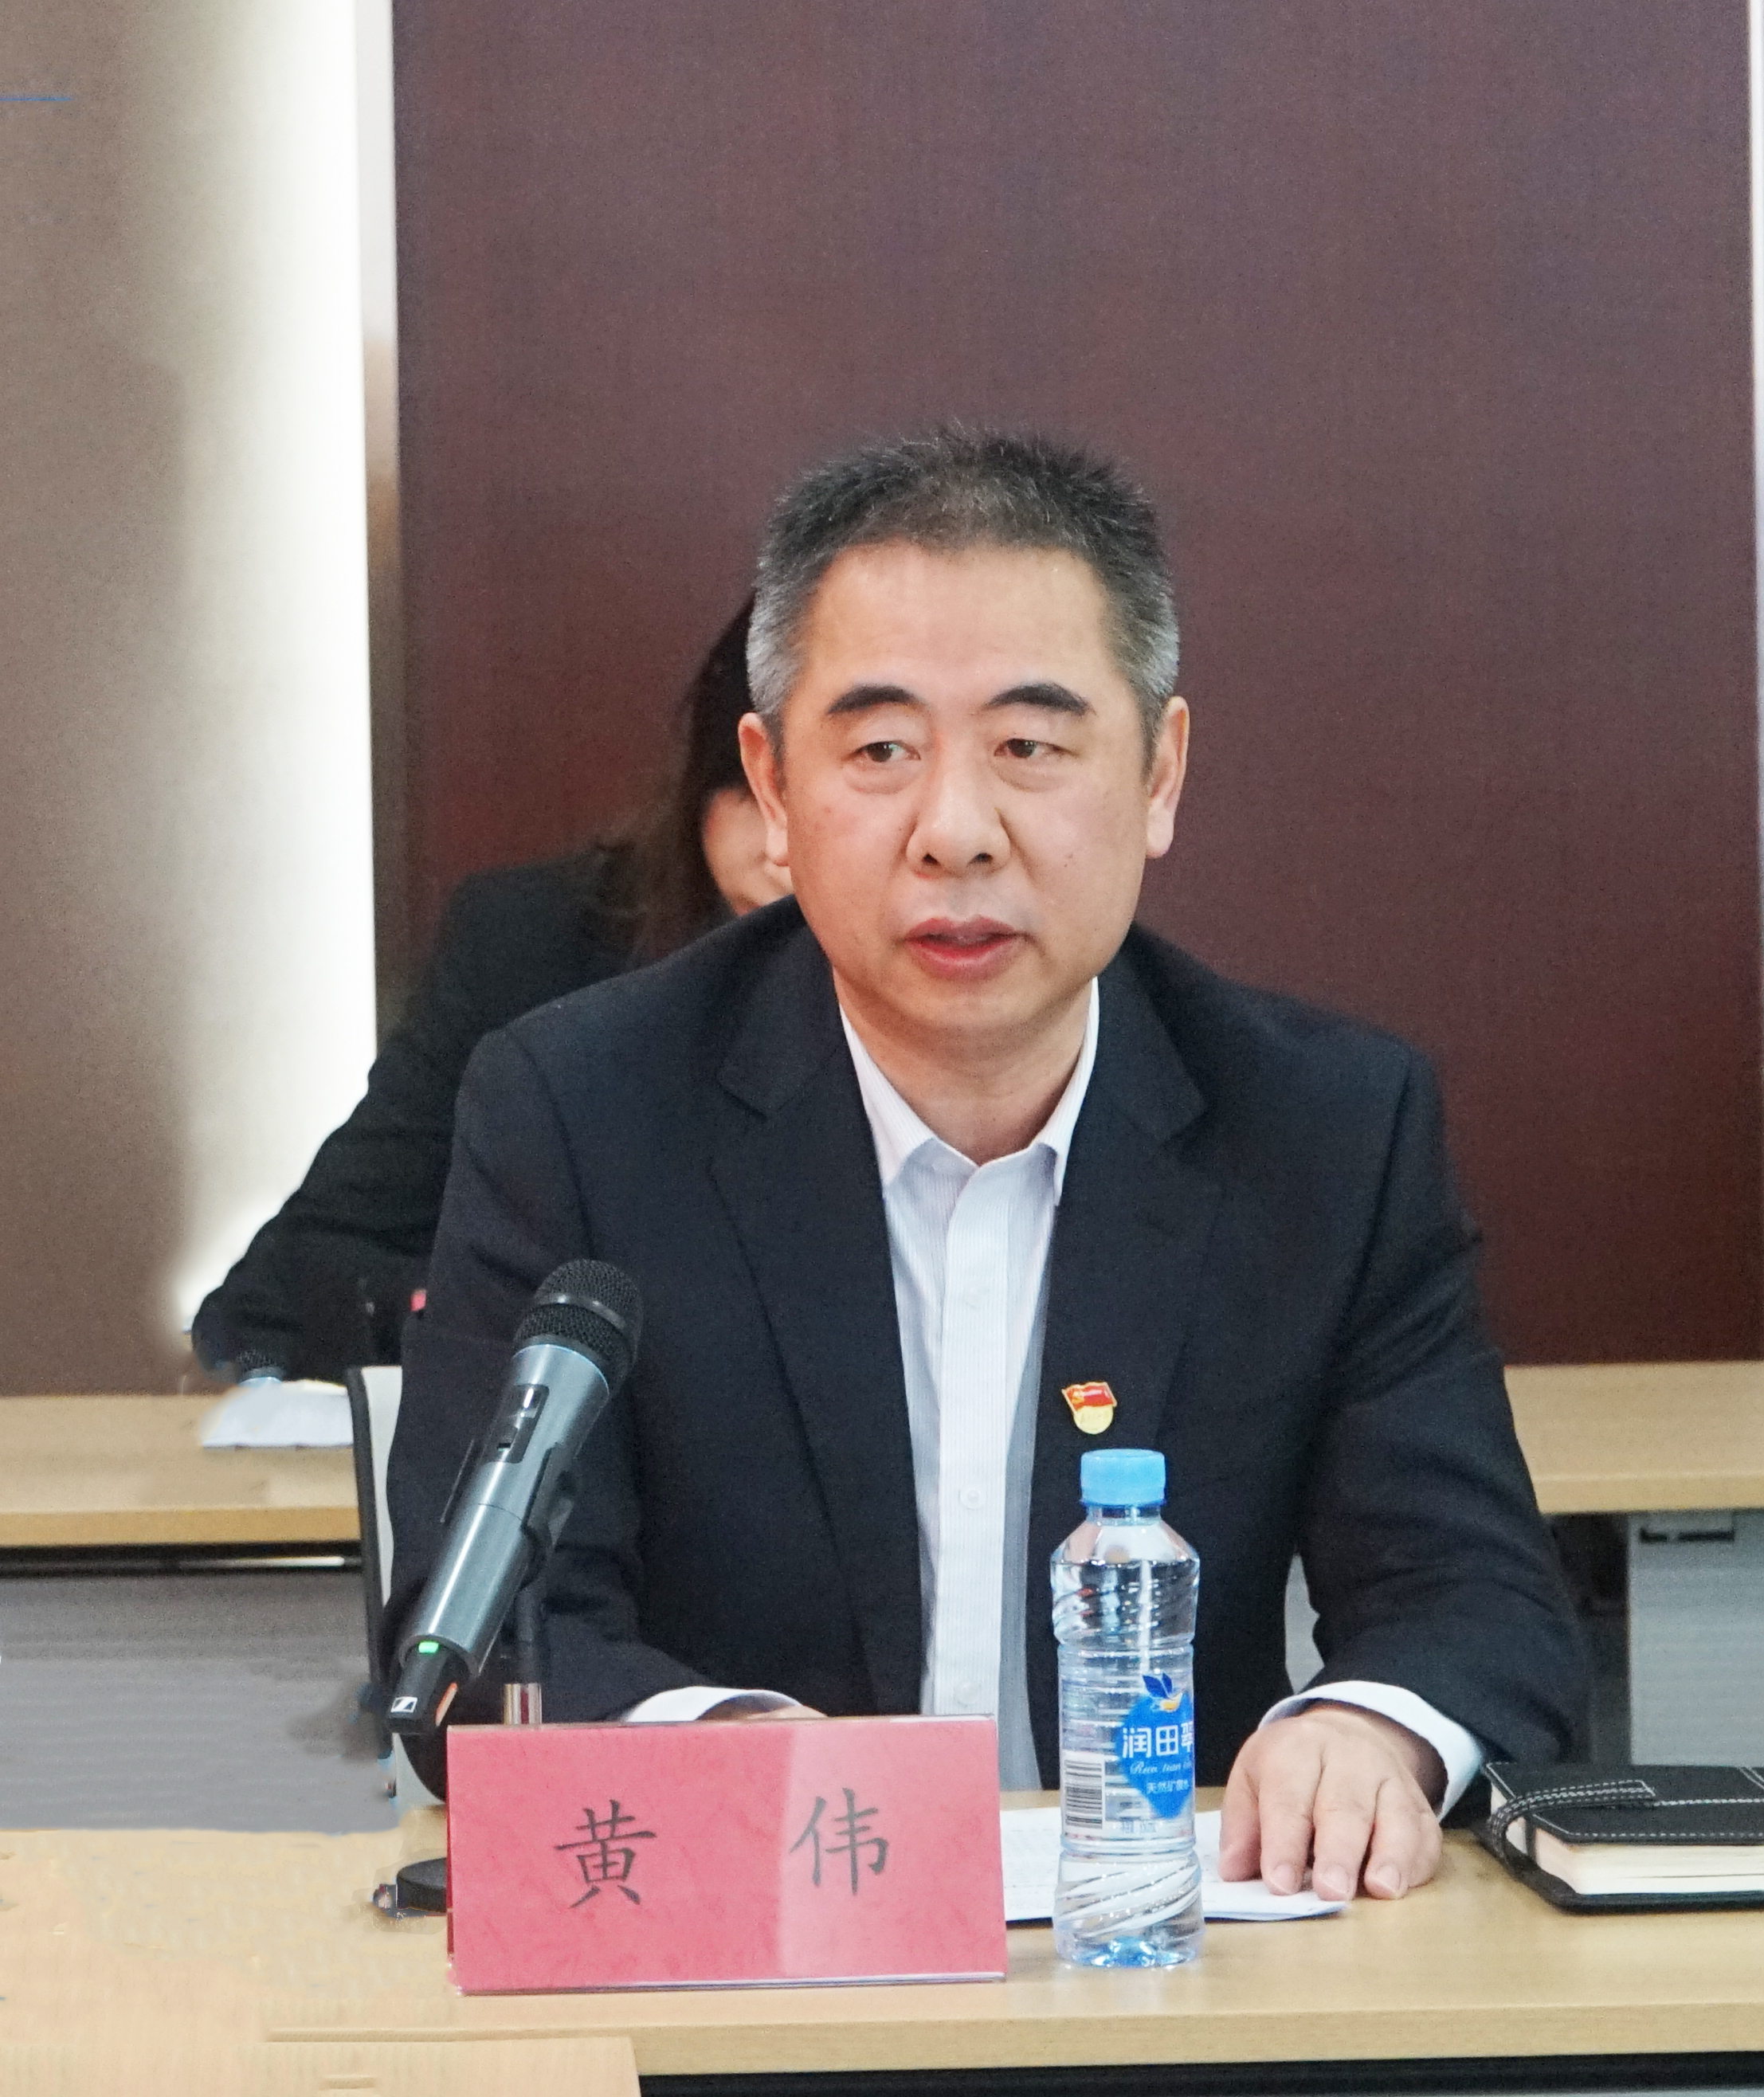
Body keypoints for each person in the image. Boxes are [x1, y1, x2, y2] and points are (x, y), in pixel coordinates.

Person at [386, 429, 1586, 1904]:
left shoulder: (1322, 1127)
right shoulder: (580, 1110)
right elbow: (486, 1632)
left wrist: (1369, 1729)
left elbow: (1472, 1592)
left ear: (1158, 772)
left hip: (1172, 1967)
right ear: (771, 787)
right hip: (751, 1956)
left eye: (1029, 747)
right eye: (880, 751)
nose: (955, 833)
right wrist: (743, 1765)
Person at [190, 602, 786, 1383]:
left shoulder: (937, 971)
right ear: (707, 771)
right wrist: (505, 1317)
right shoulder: (536, 945)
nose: (784, 844)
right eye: (751, 790)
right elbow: (284, 1289)